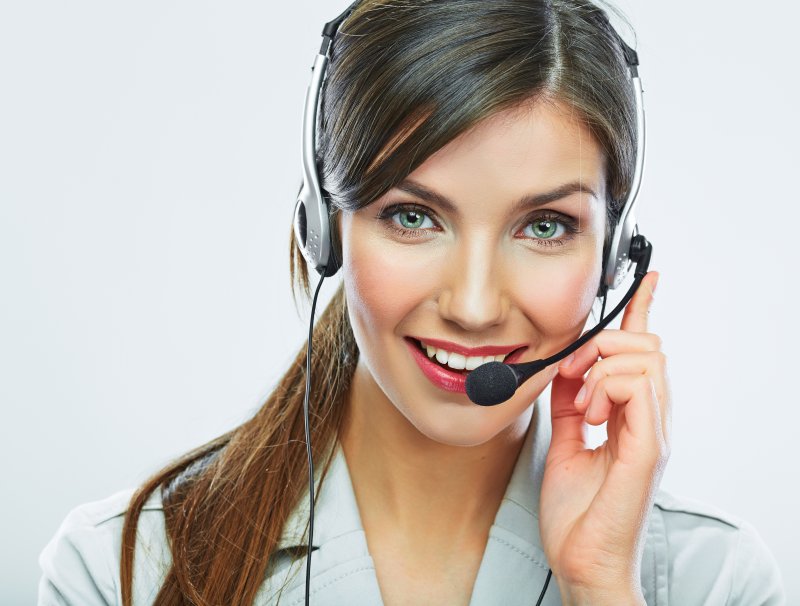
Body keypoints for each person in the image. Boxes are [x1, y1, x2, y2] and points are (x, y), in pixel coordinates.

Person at [38, 0, 785, 604]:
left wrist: (599, 588)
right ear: (324, 228)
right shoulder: (124, 571)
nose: (471, 304)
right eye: (413, 216)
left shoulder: (711, 581)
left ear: (615, 253)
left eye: (545, 225)